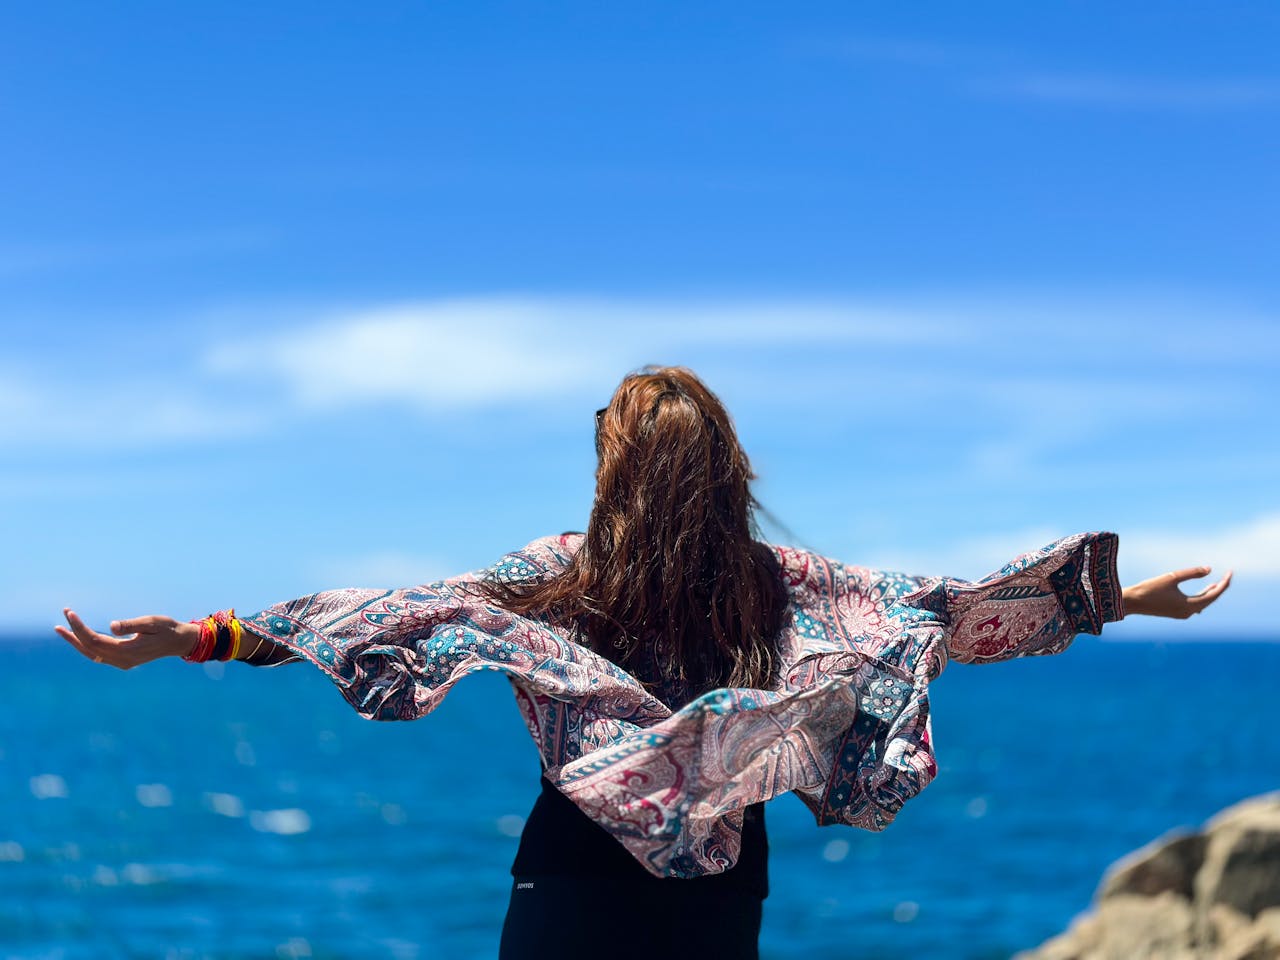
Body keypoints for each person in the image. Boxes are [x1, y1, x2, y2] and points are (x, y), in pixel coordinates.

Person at [57, 366, 1231, 959]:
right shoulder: (783, 585)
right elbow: (944, 614)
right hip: (719, 896)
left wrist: (198, 637)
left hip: (565, 883)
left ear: (615, 469)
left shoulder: (560, 577)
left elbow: (383, 617)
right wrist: (1111, 600)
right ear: (724, 465)